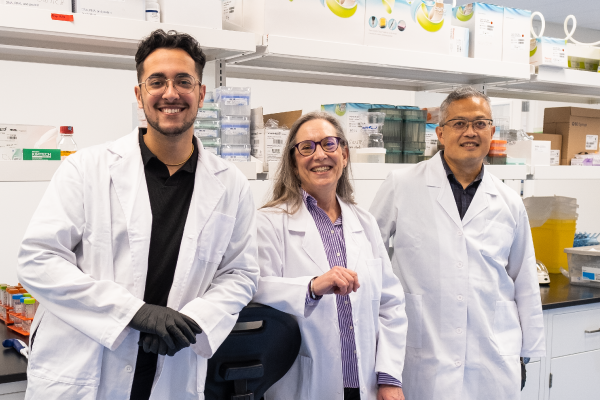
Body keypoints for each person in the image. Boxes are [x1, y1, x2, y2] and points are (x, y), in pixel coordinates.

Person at [18, 29, 259, 400]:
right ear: (139, 94)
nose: (171, 93)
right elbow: (38, 259)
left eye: (184, 81)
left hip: (173, 365)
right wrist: (133, 312)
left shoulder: (232, 185)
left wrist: (197, 320)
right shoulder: (86, 169)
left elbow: (240, 274)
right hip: (85, 368)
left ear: (201, 93)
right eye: (157, 81)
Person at [369, 87, 545, 400]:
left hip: (491, 354)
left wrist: (526, 352)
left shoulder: (508, 201)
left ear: (492, 131)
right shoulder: (401, 184)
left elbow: (525, 280)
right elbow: (370, 258)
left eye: (480, 124)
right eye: (459, 123)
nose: (470, 132)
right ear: (440, 132)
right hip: (421, 350)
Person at [254, 111, 408, 400]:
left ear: (345, 154)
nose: (319, 155)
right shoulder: (269, 222)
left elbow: (390, 304)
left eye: (329, 144)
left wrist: (389, 379)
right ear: (293, 161)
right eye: (307, 148)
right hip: (302, 383)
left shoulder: (365, 222)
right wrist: (311, 287)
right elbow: (256, 291)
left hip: (365, 386)